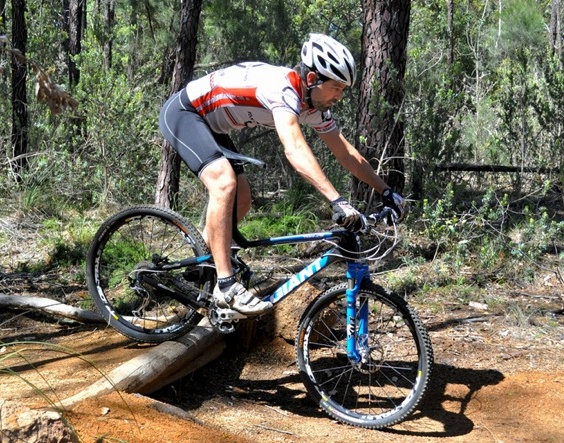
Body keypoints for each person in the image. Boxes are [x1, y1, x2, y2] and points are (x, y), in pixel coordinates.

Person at [159, 33, 405, 316]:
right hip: (185, 112)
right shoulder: (282, 88)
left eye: (344, 89)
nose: (340, 96)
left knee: (242, 200)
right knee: (224, 183)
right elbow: (295, 148)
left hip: (212, 126)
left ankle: (202, 264)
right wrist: (337, 200)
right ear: (312, 79)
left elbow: (346, 154)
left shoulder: (313, 107)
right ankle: (225, 286)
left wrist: (386, 191)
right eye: (336, 87)